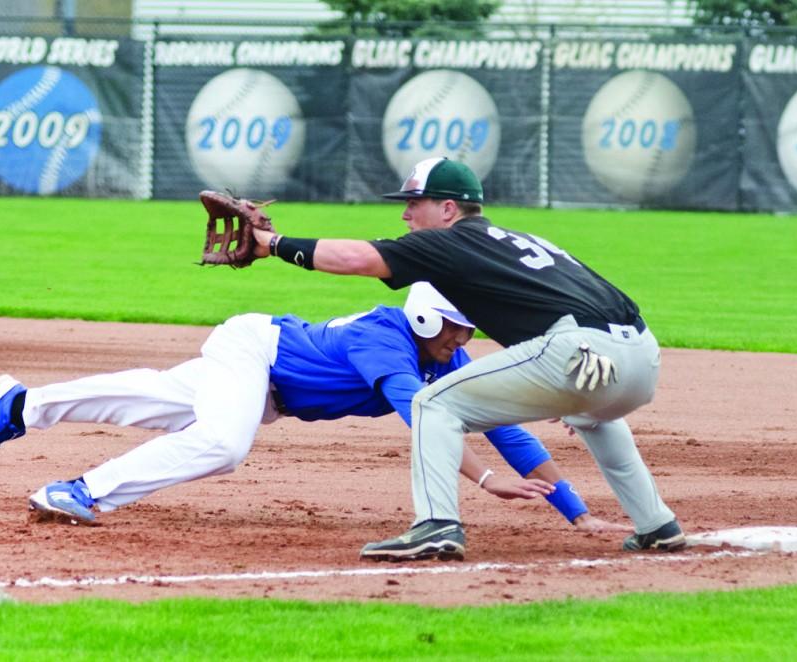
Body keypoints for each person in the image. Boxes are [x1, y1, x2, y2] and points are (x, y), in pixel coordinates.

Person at [251, 156, 686, 561]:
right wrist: (569, 387)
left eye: (414, 203)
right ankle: (656, 524)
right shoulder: (523, 239)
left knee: (431, 403)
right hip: (640, 356)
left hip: (578, 349)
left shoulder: (450, 243)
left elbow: (354, 258)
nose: (405, 215)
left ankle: (437, 524)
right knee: (597, 418)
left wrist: (271, 243)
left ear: (448, 209)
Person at [0, 282, 625, 537]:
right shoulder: (383, 338)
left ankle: (22, 405)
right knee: (223, 444)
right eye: (456, 327)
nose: (464, 339)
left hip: (268, 385)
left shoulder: (443, 358)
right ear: (424, 316)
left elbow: (502, 426)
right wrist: (481, 480)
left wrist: (577, 511)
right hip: (256, 351)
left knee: (156, 402)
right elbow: (423, 415)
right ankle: (80, 491)